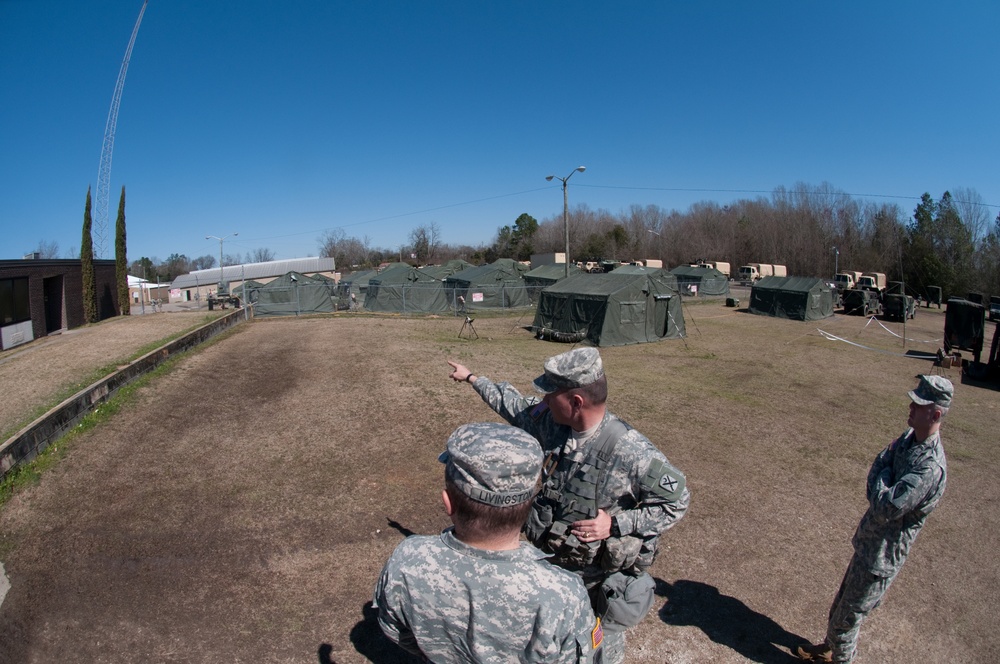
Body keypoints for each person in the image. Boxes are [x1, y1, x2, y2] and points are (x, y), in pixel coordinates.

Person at [447, 348, 690, 664]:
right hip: (555, 565)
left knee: (599, 648)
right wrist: (472, 378)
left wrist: (615, 525)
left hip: (595, 580)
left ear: (576, 402)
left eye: (550, 395)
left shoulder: (633, 453)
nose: (544, 402)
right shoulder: (553, 423)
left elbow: (677, 501)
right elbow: (514, 405)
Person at [373, 422, 604, 663]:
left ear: (448, 502)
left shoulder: (406, 561)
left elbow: (398, 632)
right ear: (529, 505)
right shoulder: (563, 594)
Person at [796, 374, 952, 663]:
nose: (911, 406)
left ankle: (840, 656)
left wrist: (883, 476)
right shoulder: (908, 439)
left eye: (919, 404)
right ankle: (828, 650)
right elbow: (880, 461)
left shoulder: (929, 467)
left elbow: (885, 507)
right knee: (840, 607)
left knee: (846, 623)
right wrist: (886, 475)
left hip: (880, 558)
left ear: (936, 413)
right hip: (869, 544)